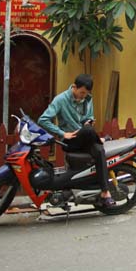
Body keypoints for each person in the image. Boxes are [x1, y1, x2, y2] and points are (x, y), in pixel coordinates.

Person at [38, 75, 116, 209]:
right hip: (71, 141)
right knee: (88, 131)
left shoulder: (88, 99)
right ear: (74, 87)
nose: (83, 96)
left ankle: (105, 192)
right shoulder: (61, 99)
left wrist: (88, 121)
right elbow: (43, 120)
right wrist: (63, 133)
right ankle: (101, 139)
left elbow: (88, 117)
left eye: (86, 94)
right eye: (81, 93)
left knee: (98, 149)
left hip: (86, 138)